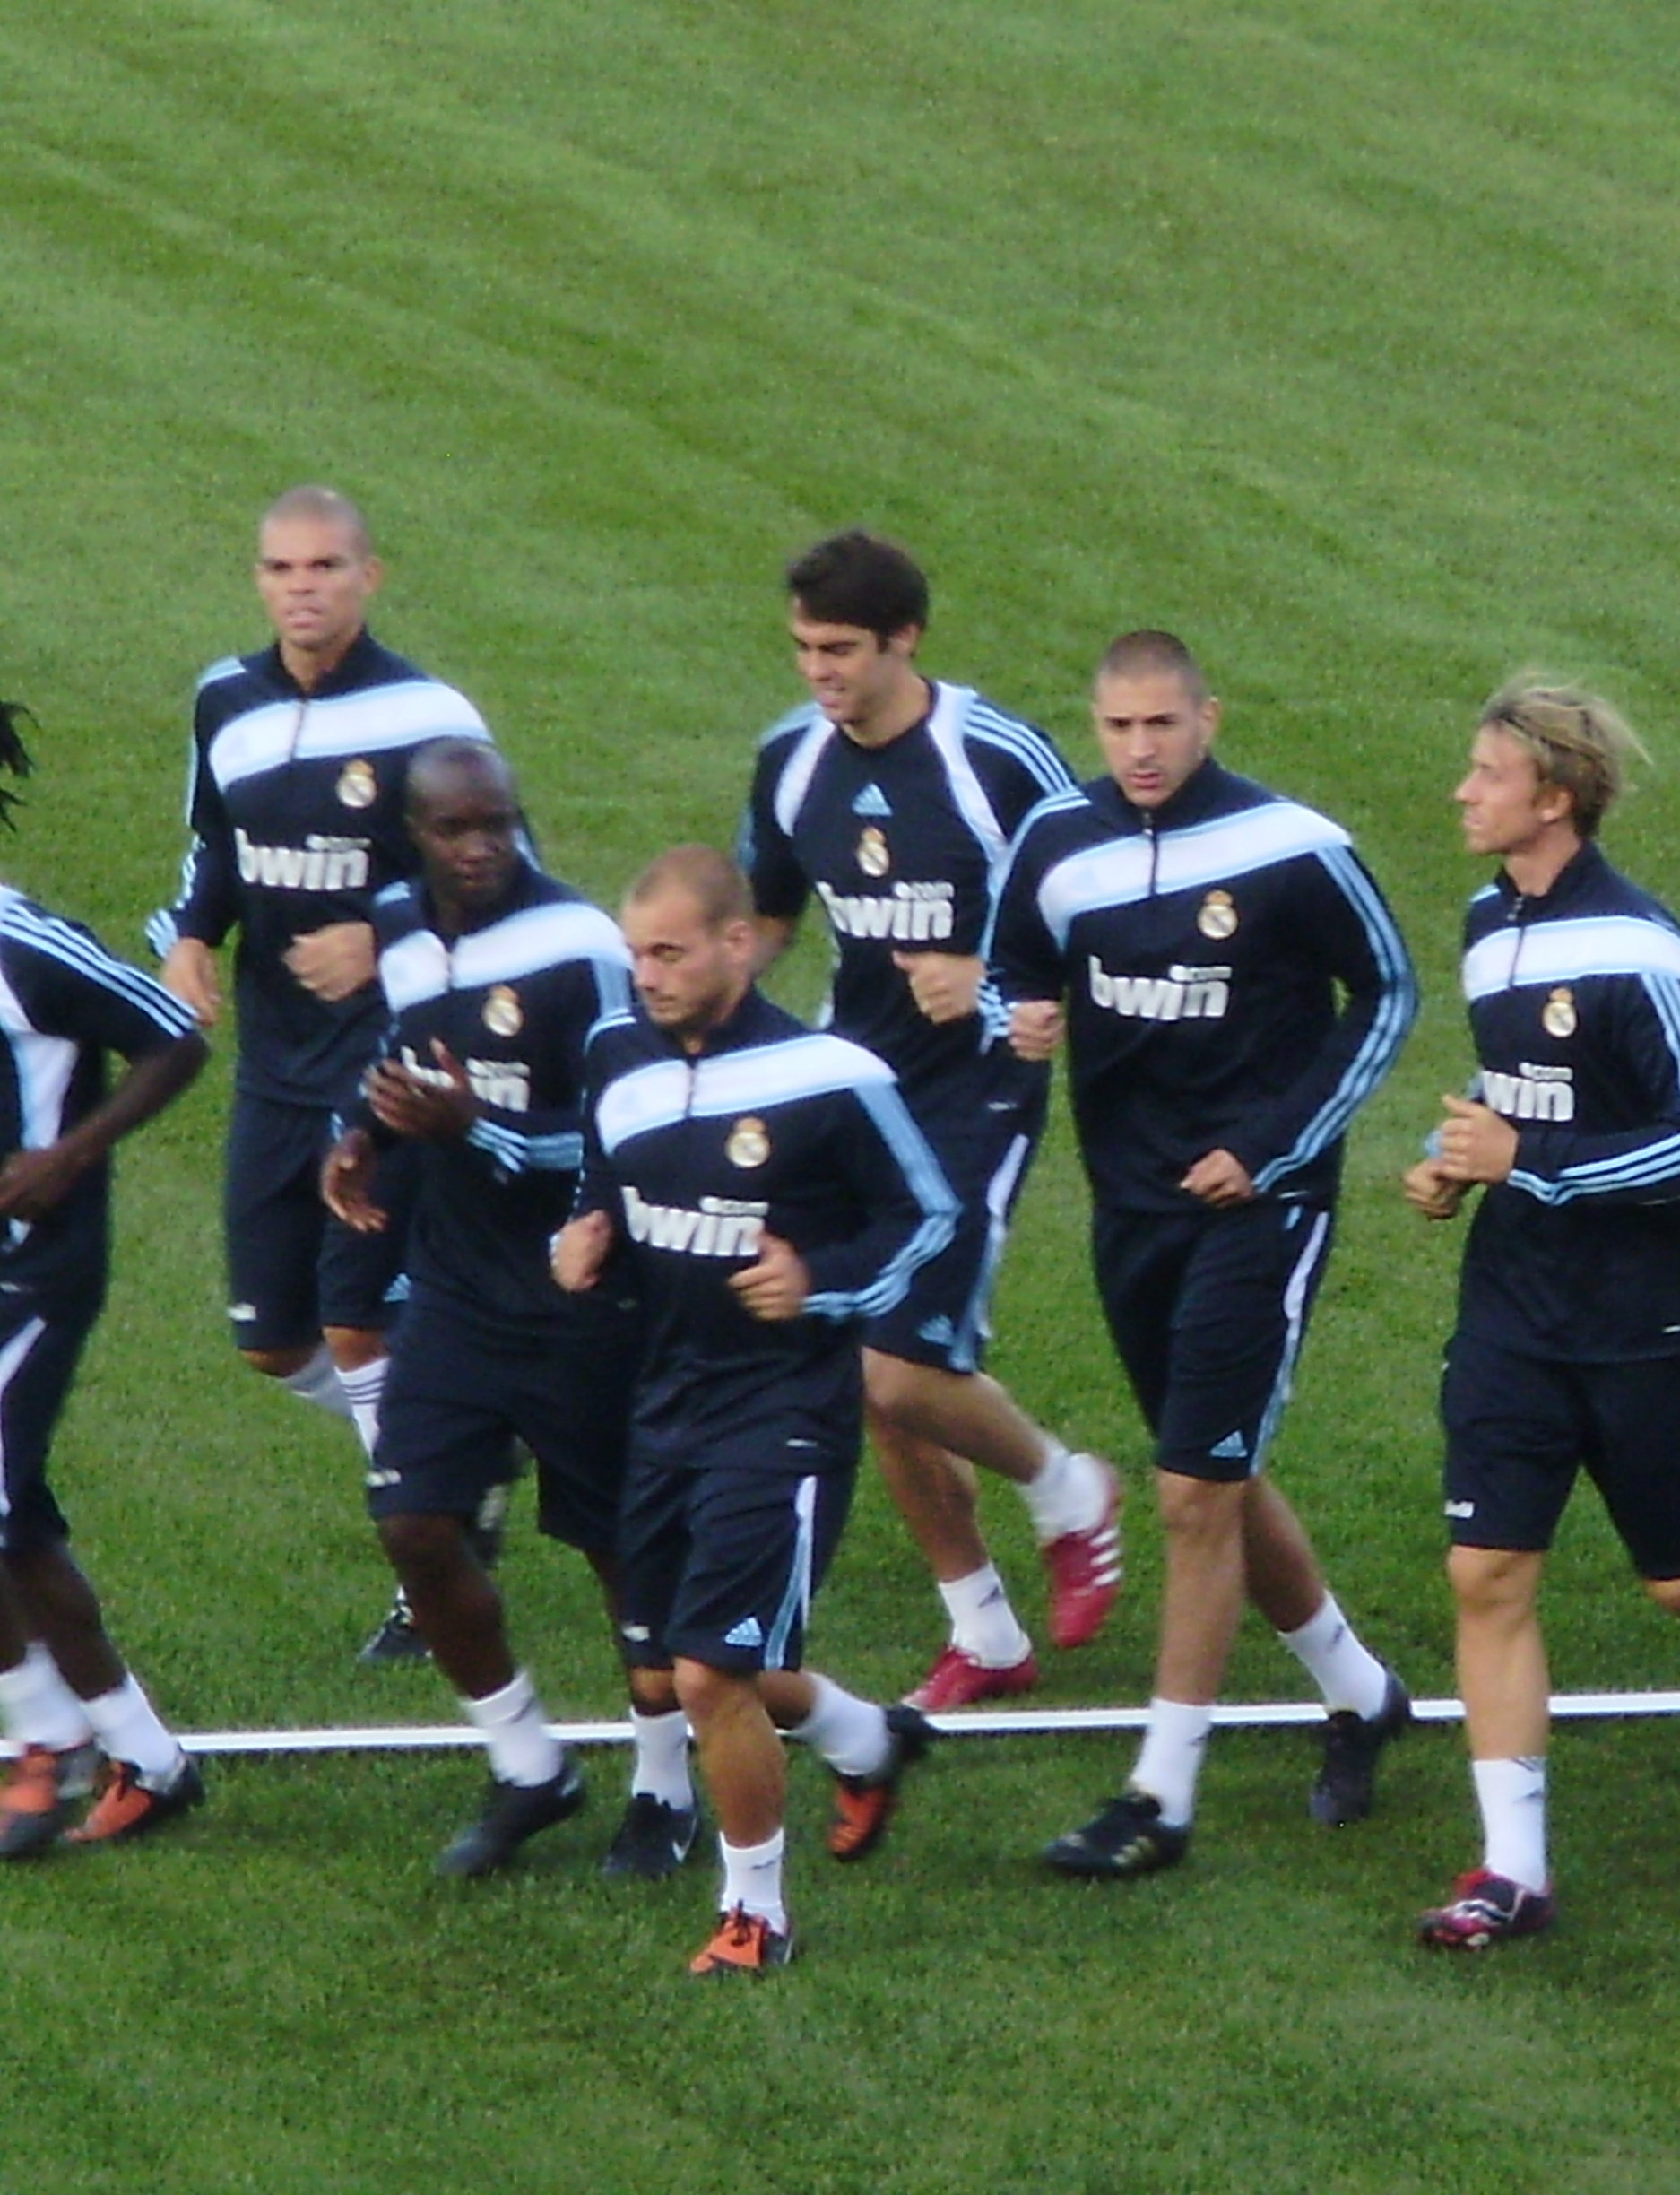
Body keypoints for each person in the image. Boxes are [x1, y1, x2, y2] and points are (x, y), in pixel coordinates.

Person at [989, 630, 1416, 1878]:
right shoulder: (1058, 843)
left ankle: (1159, 1796)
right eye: (1117, 728)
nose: (1139, 750)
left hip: (1260, 1208)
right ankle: (1362, 1690)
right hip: (1130, 1209)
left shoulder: (1292, 848)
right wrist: (1022, 1010)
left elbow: (1385, 992)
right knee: (1211, 1472)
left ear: (1206, 718)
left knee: (1188, 1490)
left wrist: (1277, 1147)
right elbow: (1019, 957)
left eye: (1160, 726)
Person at [1402, 678, 1680, 1948]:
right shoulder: (1486, 922)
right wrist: (1457, 1157)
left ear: (1555, 799)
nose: (1464, 792)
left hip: (1642, 1322)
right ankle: (1511, 1869)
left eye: (1487, 774)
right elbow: (1521, 1091)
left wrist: (1527, 1159)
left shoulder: (1643, 950)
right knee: (1487, 1570)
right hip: (1514, 1310)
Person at [738, 531, 1121, 1712]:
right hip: (856, 1083)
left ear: (905, 638)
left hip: (981, 1086)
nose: (820, 672)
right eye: (804, 648)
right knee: (865, 1367)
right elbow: (766, 917)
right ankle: (984, 1631)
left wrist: (995, 991)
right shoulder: (791, 763)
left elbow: (1103, 911)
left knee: (902, 1371)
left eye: (842, 649)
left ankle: (1068, 1492)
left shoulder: (994, 757)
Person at [552, 848, 946, 1974]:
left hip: (783, 1412)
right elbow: (605, 1181)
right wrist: (583, 1240)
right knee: (694, 1658)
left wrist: (818, 1281)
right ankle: (865, 1740)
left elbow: (925, 1216)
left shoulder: (831, 1075)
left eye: (670, 952)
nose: (648, 976)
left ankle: (755, 1913)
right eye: (635, 954)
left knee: (711, 1674)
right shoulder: (616, 1059)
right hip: (664, 1400)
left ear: (739, 943)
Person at [150, 486, 505, 1665]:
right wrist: (192, 934)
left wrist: (383, 930)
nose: (301, 587)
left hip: (385, 1061)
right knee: (271, 1337)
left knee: (357, 1323)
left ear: (370, 575)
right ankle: (465, 1443)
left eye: (324, 566)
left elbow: (496, 875)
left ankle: (431, 1549)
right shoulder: (226, 701)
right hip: (274, 1063)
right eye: (280, 568)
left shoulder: (428, 715)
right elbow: (217, 845)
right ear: (258, 579)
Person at [321, 741, 688, 1879]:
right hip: (456, 1295)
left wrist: (472, 1130)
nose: (482, 848)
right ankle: (529, 1766)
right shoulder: (402, 926)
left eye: (498, 824)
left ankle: (665, 1788)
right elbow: (409, 1057)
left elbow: (634, 1123)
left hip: (583, 1296)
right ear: (414, 838)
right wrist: (368, 1131)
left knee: (620, 1549)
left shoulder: (578, 944)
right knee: (415, 1526)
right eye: (456, 830)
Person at [0, 698, 213, 1855]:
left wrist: (68, 1155)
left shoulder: (27, 947)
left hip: (34, 1275)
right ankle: (148, 1758)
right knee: (17, 1527)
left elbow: (176, 1033)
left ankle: (39, 1741)